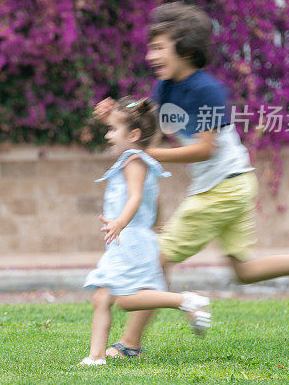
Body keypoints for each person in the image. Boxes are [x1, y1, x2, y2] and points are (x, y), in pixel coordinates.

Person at [96, 2, 289, 359]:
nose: (151, 55)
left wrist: (148, 156)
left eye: (159, 47)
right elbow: (144, 129)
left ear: (186, 50)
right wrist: (114, 115)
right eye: (151, 47)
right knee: (245, 270)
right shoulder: (164, 89)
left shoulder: (208, 92)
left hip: (223, 186)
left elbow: (206, 149)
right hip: (232, 184)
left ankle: (130, 344)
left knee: (157, 258)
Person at [79, 97, 212, 366]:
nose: (108, 135)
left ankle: (186, 300)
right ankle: (96, 357)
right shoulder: (137, 157)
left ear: (134, 135)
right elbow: (152, 200)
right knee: (102, 296)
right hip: (131, 238)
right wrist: (112, 118)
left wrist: (119, 223)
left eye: (113, 130)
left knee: (126, 301)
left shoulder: (132, 160)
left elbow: (136, 198)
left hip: (128, 239)